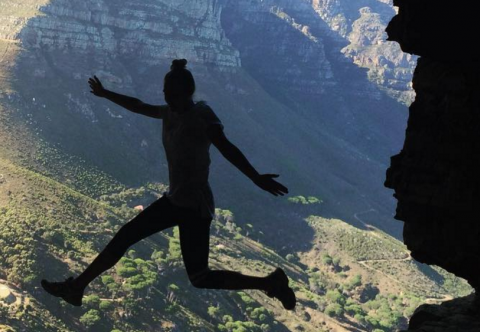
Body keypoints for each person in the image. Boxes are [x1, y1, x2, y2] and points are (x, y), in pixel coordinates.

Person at [41, 59, 296, 310]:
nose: (167, 98)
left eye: (171, 94)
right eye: (165, 93)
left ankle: (269, 282)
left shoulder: (203, 116)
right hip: (176, 200)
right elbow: (138, 105)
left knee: (199, 277)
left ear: (186, 93)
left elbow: (227, 148)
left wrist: (255, 177)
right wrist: (106, 93)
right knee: (126, 236)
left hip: (195, 206)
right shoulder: (168, 112)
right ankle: (77, 288)